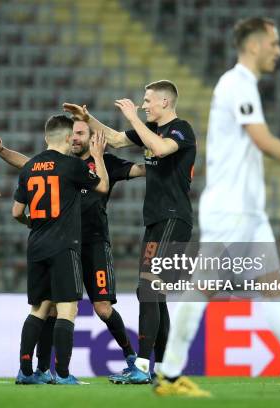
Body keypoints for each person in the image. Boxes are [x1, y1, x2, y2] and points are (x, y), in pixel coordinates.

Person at [154, 17, 280, 397]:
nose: (278, 51)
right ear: (253, 45)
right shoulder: (235, 84)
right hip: (231, 210)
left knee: (272, 288)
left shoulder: (244, 86)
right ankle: (167, 374)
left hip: (250, 213)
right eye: (274, 43)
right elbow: (261, 140)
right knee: (204, 288)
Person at [0, 119, 145, 382]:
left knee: (102, 308)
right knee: (54, 309)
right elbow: (29, 164)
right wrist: (2, 151)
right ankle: (45, 369)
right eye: (75, 133)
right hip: (64, 244)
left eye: (82, 133)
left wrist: (162, 161)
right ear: (67, 137)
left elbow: (138, 170)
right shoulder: (65, 163)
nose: (77, 138)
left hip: (92, 244)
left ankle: (131, 359)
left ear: (92, 137)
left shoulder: (105, 162)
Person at [63, 79, 197, 384]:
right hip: (156, 220)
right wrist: (86, 118)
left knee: (148, 290)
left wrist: (134, 118)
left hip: (174, 219)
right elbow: (114, 139)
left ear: (165, 102)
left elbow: (161, 149)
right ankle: (164, 371)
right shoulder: (151, 130)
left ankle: (140, 366)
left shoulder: (180, 129)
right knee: (155, 294)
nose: (143, 105)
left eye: (147, 100)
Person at [11, 115, 110, 385]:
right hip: (64, 246)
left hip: (36, 245)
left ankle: (25, 372)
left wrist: (37, 223)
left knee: (39, 309)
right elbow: (102, 186)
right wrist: (98, 156)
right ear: (68, 138)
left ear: (46, 138)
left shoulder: (29, 167)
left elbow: (17, 211)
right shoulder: (71, 165)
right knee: (67, 310)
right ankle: (63, 374)